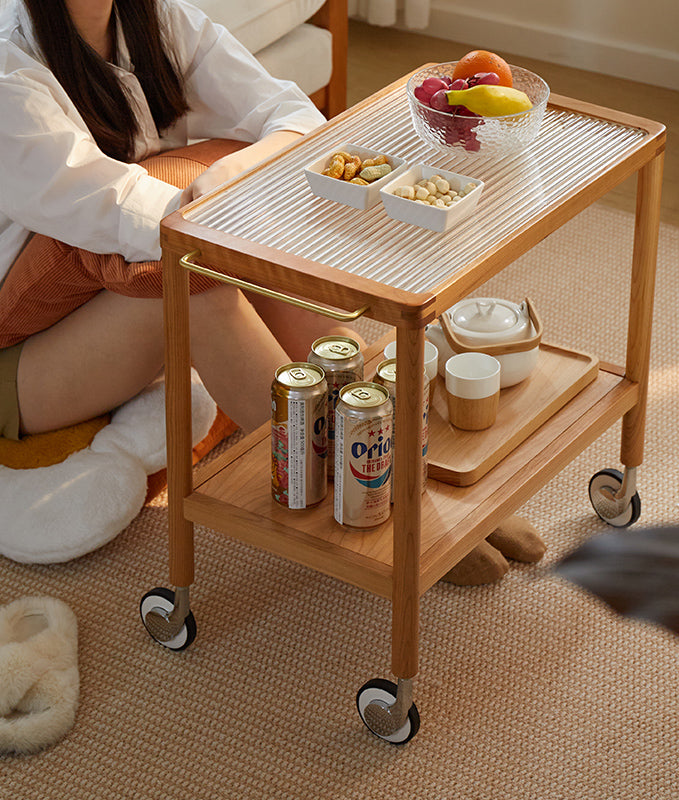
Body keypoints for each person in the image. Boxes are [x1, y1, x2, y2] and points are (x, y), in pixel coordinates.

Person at [0, 0, 545, 581]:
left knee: (236, 256)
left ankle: (408, 470)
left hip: (104, 304)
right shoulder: (10, 70)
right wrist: (221, 191)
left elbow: (294, 117)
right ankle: (392, 508)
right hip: (21, 365)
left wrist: (234, 172)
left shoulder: (157, 20)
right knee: (197, 279)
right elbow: (134, 216)